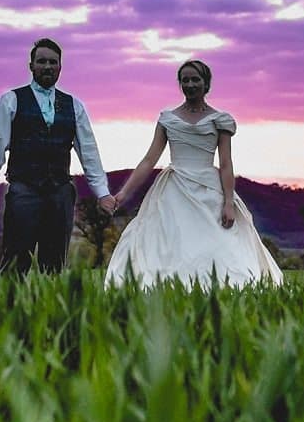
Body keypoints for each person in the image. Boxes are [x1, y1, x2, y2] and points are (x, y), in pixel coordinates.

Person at [104, 58, 283, 287]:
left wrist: (228, 202)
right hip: (174, 187)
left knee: (217, 239)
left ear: (206, 83)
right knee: (172, 239)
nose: (190, 84)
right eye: (185, 80)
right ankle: (172, 284)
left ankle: (217, 284)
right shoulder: (167, 119)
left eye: (195, 79)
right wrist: (123, 193)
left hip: (209, 185)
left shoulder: (220, 119)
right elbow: (149, 159)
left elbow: (226, 163)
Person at [0, 38, 113, 274]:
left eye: (53, 62)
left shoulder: (74, 106)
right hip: (24, 189)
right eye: (41, 62)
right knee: (15, 259)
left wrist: (102, 193)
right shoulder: (11, 100)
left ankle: (50, 309)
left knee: (54, 263)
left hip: (60, 191)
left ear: (61, 67)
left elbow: (89, 152)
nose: (47, 67)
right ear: (31, 66)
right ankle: (9, 308)